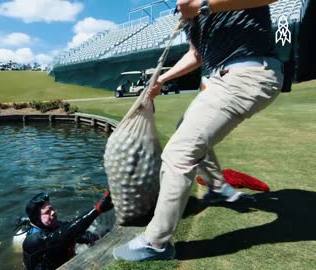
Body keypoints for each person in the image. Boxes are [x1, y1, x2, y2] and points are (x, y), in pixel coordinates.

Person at [113, 0, 284, 262]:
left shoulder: (200, 5)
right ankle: (218, 189)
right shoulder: (189, 12)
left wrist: (203, 6)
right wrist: (161, 79)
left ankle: (156, 243)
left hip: (248, 73)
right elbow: (196, 54)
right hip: (221, 77)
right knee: (186, 130)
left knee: (179, 153)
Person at [20, 191, 113, 269]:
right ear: (37, 219)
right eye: (47, 212)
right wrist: (97, 209)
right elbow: (66, 233)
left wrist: (96, 237)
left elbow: (75, 231)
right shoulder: (32, 241)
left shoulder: (55, 225)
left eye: (52, 209)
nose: (53, 212)